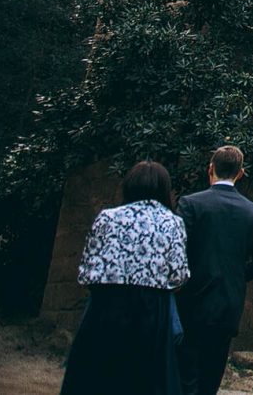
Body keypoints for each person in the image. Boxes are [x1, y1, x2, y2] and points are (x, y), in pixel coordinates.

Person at [60, 160, 190, 395]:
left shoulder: (107, 217)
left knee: (99, 377)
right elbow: (178, 275)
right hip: (151, 310)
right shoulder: (173, 222)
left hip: (106, 306)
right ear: (164, 188)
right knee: (145, 381)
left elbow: (87, 270)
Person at [175, 145, 253, 395]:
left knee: (184, 375)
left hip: (189, 301)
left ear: (210, 168)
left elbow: (175, 251)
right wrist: (238, 275)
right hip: (227, 305)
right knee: (211, 376)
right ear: (240, 173)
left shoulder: (190, 204)